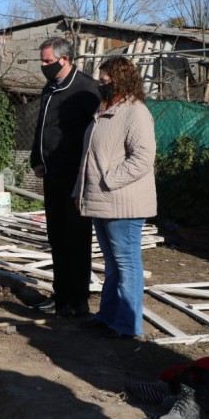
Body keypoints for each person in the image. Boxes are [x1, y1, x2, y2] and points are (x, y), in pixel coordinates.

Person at [73, 56, 157, 339]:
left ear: (121, 78)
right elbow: (89, 158)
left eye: (105, 77)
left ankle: (127, 325)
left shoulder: (135, 112)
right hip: (101, 200)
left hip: (123, 202)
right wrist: (80, 191)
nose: (101, 82)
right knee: (112, 263)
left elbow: (143, 157)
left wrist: (109, 180)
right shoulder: (104, 110)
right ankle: (108, 316)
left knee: (126, 263)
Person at [30, 38, 101, 317]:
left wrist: (88, 169)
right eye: (42, 60)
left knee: (77, 236)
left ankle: (78, 299)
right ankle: (61, 297)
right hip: (51, 173)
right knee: (56, 236)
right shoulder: (50, 88)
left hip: (75, 175)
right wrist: (37, 159)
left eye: (47, 61)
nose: (43, 66)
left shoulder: (85, 88)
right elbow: (42, 127)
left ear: (65, 59)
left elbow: (96, 134)